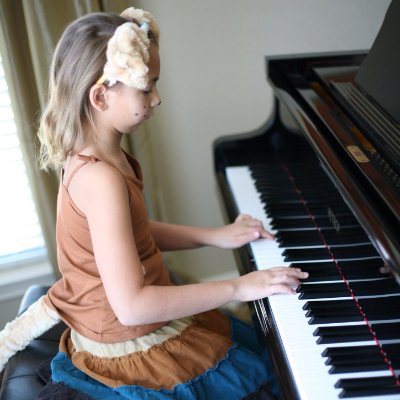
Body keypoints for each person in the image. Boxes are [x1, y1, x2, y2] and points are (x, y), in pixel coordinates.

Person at [0, 7, 308, 400]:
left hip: (132, 322)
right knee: (266, 380)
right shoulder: (100, 178)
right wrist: (237, 286)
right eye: (147, 88)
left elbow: (135, 231)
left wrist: (217, 236)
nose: (157, 99)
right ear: (100, 96)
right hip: (131, 345)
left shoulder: (102, 158)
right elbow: (132, 307)